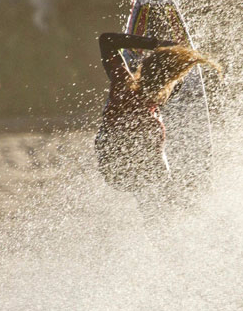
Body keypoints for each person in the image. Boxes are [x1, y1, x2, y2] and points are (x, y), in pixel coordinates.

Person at [94, 32, 221, 204]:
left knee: (153, 182)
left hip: (111, 166)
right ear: (168, 83)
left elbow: (106, 40)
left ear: (143, 69)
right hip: (131, 168)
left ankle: (169, 201)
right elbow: (156, 172)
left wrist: (156, 44)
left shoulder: (122, 85)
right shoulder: (150, 118)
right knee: (161, 191)